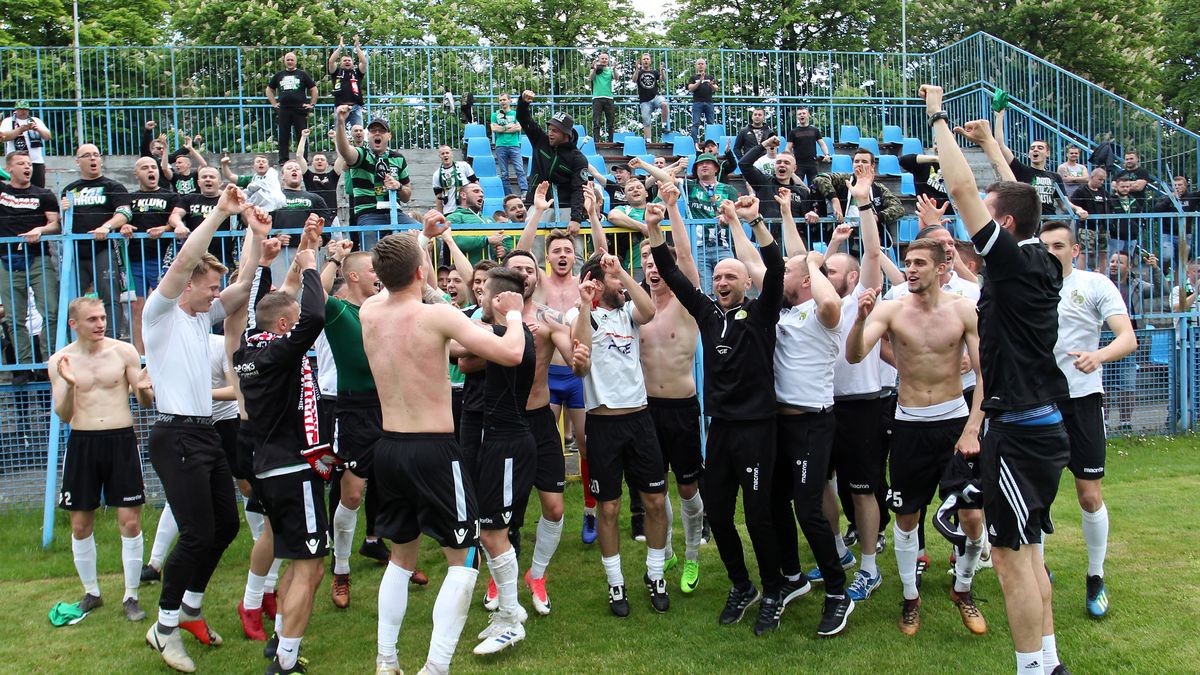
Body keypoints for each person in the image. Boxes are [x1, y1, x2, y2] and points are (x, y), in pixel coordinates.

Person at [922, 83, 1072, 675]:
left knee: (1012, 561)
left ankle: (1032, 668)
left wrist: (936, 116)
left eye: (990, 211)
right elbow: (1022, 200)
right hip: (1044, 428)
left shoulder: (1009, 261)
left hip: (1018, 433)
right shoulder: (1045, 261)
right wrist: (995, 147)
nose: (976, 216)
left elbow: (962, 190)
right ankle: (1049, 662)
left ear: (1003, 224)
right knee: (1030, 555)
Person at [358, 231, 526, 675]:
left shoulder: (370, 311)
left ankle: (385, 661)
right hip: (432, 450)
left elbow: (401, 273)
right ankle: (435, 668)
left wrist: (417, 238)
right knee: (463, 558)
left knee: (400, 557)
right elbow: (510, 354)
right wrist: (513, 316)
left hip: (388, 448)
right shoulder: (438, 317)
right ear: (421, 271)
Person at [649, 195, 800, 635]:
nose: (721, 281)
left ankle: (773, 591)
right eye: (717, 276)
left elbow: (774, 267)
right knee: (717, 512)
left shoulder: (761, 311)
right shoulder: (709, 314)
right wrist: (655, 228)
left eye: (730, 275)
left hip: (757, 429)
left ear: (746, 283)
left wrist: (754, 222)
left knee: (757, 515)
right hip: (720, 430)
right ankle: (742, 585)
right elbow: (675, 277)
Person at [142, 185, 267, 672]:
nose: (216, 296)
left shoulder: (198, 320)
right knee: (196, 533)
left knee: (227, 525)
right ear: (188, 284)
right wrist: (219, 213)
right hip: (175, 435)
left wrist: (256, 238)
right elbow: (186, 259)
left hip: (204, 434)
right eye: (208, 287)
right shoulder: (162, 313)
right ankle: (165, 627)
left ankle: (191, 609)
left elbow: (242, 287)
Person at [845, 237, 988, 636]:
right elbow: (855, 355)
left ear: (942, 268)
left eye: (919, 263)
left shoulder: (963, 310)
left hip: (955, 422)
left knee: (973, 517)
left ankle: (963, 588)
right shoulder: (890, 310)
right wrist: (859, 320)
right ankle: (910, 598)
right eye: (907, 262)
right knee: (907, 517)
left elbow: (984, 375)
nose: (910, 269)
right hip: (909, 423)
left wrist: (973, 427)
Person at [730, 187, 854, 635]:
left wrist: (816, 264)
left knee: (809, 510)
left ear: (803, 280)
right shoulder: (779, 312)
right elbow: (752, 265)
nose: (772, 275)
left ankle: (838, 591)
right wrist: (737, 222)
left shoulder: (819, 313)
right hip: (777, 425)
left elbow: (829, 302)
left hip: (812, 424)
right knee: (771, 504)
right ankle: (793, 577)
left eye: (787, 273)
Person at [233, 246, 327, 675]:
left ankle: (278, 637)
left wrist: (283, 266)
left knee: (300, 560)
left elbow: (268, 309)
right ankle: (286, 663)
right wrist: (310, 270)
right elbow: (314, 318)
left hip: (270, 469)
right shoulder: (277, 354)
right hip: (293, 469)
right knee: (310, 568)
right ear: (284, 327)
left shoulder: (250, 351)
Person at [1039, 221, 1137, 619]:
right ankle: (1037, 571)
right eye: (1044, 245)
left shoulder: (1094, 284)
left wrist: (1098, 356)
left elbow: (1126, 338)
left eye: (1059, 245)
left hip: (1082, 403)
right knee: (1035, 497)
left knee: (1089, 494)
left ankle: (1095, 576)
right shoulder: (1026, 286)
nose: (1050, 251)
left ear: (1074, 251)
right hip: (1038, 403)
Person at [573, 244, 673, 617]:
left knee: (654, 501)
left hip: (640, 420)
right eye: (613, 277)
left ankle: (655, 574)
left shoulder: (630, 310)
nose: (622, 282)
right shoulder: (581, 313)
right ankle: (616, 583)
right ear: (594, 284)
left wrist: (621, 273)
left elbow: (649, 310)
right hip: (603, 423)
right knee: (610, 507)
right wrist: (585, 304)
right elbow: (579, 354)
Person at [48, 297, 153, 622]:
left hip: (121, 441)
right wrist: (68, 384)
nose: (100, 323)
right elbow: (64, 415)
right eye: (92, 319)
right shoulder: (60, 360)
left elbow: (145, 402)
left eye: (103, 317)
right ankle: (92, 592)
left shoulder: (123, 352)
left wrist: (146, 388)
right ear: (74, 324)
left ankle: (131, 596)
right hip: (83, 442)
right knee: (80, 525)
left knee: (130, 522)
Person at [632, 182, 708, 594]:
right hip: (645, 412)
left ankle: (692, 555)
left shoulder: (684, 302)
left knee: (687, 487)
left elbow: (688, 262)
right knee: (653, 492)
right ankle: (666, 551)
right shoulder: (637, 307)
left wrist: (673, 209)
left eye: (657, 259)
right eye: (645, 259)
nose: (653, 266)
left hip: (680, 407)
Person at [460, 266, 540, 654]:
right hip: (496, 444)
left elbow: (458, 348)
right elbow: (462, 355)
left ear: (498, 300)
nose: (476, 299)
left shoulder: (514, 335)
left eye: (482, 294)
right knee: (490, 532)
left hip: (509, 447)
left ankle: (510, 620)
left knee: (495, 534)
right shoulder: (502, 333)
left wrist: (513, 314)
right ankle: (509, 611)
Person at [316, 240, 392, 610]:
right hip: (353, 411)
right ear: (355, 276)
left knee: (398, 486)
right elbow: (313, 296)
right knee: (351, 495)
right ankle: (341, 570)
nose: (379, 277)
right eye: (374, 270)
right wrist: (330, 257)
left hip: (391, 405)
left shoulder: (386, 308)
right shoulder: (339, 311)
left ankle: (399, 559)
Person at [61, 143, 132, 340]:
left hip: (103, 249)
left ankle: (111, 341)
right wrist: (64, 210)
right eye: (87, 155)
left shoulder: (113, 186)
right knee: (71, 301)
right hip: (76, 252)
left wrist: (106, 227)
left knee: (110, 297)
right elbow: (62, 224)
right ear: (78, 161)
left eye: (96, 155)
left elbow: (125, 213)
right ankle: (75, 344)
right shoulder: (69, 190)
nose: (93, 159)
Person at [0, 151, 59, 369]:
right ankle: (25, 365)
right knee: (15, 317)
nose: (27, 167)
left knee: (51, 310)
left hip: (37, 257)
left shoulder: (43, 194)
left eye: (29, 163)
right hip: (6, 258)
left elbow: (56, 224)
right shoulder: (2, 190)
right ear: (8, 168)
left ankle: (48, 361)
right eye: (21, 163)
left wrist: (40, 229)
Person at [125, 156, 185, 354]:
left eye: (153, 167)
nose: (151, 170)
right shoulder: (129, 198)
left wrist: (165, 227)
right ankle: (140, 356)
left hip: (162, 258)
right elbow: (121, 218)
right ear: (136, 173)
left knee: (163, 306)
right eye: (145, 167)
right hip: (135, 259)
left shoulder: (171, 196)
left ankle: (166, 352)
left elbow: (175, 219)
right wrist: (124, 226)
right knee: (137, 307)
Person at [1105, 250, 1162, 431]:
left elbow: (1162, 290)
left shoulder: (1137, 285)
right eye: (1112, 261)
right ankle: (1103, 421)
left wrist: (1155, 269)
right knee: (1102, 384)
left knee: (1127, 384)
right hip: (1103, 338)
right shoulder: (1101, 283)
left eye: (1119, 262)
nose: (1114, 264)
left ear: (1129, 266)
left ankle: (1125, 423)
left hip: (1127, 339)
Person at [994, 109, 1088, 219]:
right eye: (1032, 148)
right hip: (1029, 222)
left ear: (1047, 153)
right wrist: (999, 117)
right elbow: (1000, 146)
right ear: (1029, 154)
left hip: (1049, 222)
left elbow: (1064, 204)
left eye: (1040, 148)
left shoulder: (1055, 176)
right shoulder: (1021, 170)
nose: (1035, 150)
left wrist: (1078, 209)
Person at [517, 91, 588, 233]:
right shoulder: (540, 140)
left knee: (568, 251)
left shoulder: (578, 158)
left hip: (565, 208)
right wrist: (523, 103)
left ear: (566, 134)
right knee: (533, 249)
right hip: (537, 206)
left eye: (555, 130)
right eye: (549, 129)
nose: (550, 133)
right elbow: (523, 119)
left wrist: (576, 219)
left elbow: (578, 189)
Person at [334, 108, 415, 228]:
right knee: (372, 243)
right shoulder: (362, 154)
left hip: (395, 213)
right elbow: (345, 151)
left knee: (419, 232)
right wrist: (341, 123)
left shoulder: (398, 158)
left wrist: (398, 186)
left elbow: (407, 197)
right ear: (368, 135)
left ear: (389, 136)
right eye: (373, 131)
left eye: (382, 131)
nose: (377, 133)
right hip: (368, 214)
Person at [738, 136, 823, 223]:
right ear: (775, 166)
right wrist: (765, 144)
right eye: (778, 162)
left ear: (794, 169)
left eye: (786, 163)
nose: (782, 165)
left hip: (793, 235)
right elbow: (744, 164)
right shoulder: (764, 182)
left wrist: (812, 215)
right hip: (766, 235)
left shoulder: (802, 192)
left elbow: (809, 216)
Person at [172, 167, 238, 266]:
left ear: (220, 183)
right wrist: (179, 225)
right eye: (204, 177)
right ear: (198, 183)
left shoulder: (228, 201)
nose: (208, 179)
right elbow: (175, 215)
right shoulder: (189, 199)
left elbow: (246, 220)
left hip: (223, 258)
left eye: (212, 177)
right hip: (195, 259)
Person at [267, 52, 319, 163]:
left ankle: (303, 159)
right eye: (288, 60)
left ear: (295, 61)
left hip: (300, 109)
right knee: (283, 135)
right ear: (285, 61)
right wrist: (274, 103)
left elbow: (314, 89)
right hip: (284, 109)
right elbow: (269, 89)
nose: (290, 62)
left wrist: (312, 104)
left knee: (302, 135)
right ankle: (283, 159)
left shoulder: (302, 74)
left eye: (292, 60)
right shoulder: (279, 75)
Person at [1, 100, 51, 187]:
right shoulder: (8, 121)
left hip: (36, 162)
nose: (23, 111)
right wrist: (20, 129)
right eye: (21, 109)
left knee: (38, 189)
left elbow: (48, 136)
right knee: (17, 187)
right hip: (17, 162)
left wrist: (37, 129)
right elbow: (4, 137)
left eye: (25, 109)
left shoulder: (35, 120)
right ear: (15, 110)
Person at [328, 35, 368, 131]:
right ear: (341, 63)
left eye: (349, 60)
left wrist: (357, 48)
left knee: (358, 132)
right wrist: (340, 48)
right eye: (344, 60)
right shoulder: (336, 72)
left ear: (352, 63)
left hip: (356, 107)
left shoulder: (357, 73)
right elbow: (331, 61)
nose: (347, 62)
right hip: (340, 107)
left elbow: (364, 62)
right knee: (339, 133)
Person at [899, 143, 952, 214]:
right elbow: (903, 160)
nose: (938, 147)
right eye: (936, 143)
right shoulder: (924, 164)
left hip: (951, 218)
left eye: (942, 143)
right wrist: (935, 159)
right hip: (927, 218)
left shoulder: (956, 168)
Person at [491, 93, 527, 196]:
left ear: (509, 101)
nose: (502, 102)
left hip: (514, 145)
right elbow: (494, 129)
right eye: (500, 100)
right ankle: (508, 195)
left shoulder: (516, 114)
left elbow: (518, 128)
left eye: (504, 99)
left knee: (519, 170)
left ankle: (524, 191)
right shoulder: (495, 115)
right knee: (504, 173)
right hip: (500, 146)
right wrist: (508, 127)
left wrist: (501, 128)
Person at [785, 107, 832, 185]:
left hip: (812, 163)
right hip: (798, 164)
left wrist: (827, 155)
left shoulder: (815, 130)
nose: (801, 115)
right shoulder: (793, 132)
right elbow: (788, 148)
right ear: (797, 117)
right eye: (799, 114)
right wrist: (790, 159)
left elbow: (822, 144)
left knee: (814, 187)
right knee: (797, 186)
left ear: (808, 115)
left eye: (804, 113)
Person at [432, 145, 478, 215]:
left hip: (466, 209)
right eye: (442, 154)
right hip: (449, 211)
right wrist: (440, 215)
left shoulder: (464, 166)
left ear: (451, 154)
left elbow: (475, 183)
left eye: (447, 153)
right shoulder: (437, 174)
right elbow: (438, 197)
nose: (445, 155)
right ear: (439, 156)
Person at [634, 54, 669, 140]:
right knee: (646, 121)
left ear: (650, 61)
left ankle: (664, 125)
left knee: (664, 104)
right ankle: (648, 141)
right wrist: (637, 70)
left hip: (655, 97)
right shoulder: (640, 72)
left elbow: (663, 79)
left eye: (647, 59)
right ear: (642, 61)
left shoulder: (654, 72)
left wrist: (663, 70)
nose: (646, 61)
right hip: (644, 101)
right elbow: (634, 79)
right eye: (644, 59)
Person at [687, 59, 719, 146]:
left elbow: (716, 88)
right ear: (696, 66)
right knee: (696, 123)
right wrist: (700, 81)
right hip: (697, 102)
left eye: (702, 64)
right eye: (699, 64)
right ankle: (694, 141)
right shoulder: (693, 78)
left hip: (709, 102)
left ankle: (711, 142)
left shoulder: (710, 77)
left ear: (705, 66)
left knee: (710, 123)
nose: (700, 65)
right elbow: (690, 88)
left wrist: (711, 85)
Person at [588, 52, 616, 142]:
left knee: (610, 122)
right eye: (602, 58)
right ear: (599, 60)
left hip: (609, 98)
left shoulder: (610, 70)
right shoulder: (595, 69)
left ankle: (610, 141)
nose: (604, 60)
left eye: (605, 58)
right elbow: (591, 78)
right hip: (597, 98)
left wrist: (615, 69)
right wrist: (594, 69)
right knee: (596, 121)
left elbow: (616, 78)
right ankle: (596, 141)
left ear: (608, 60)